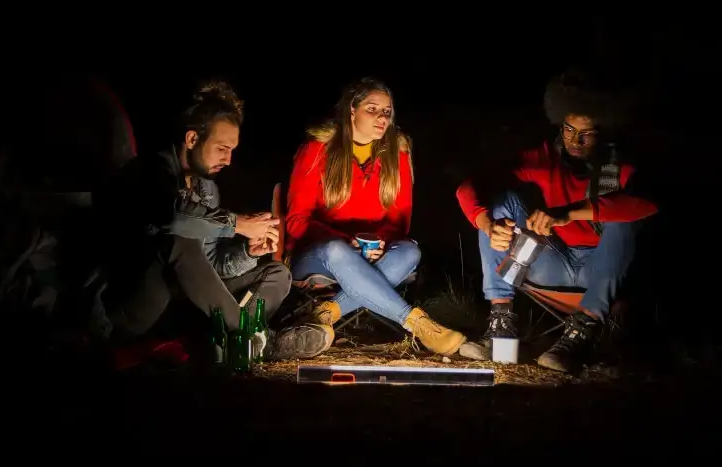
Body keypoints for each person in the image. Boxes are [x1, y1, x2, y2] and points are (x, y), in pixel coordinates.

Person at [92, 81, 332, 360]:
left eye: (232, 150)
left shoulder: (207, 189)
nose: (228, 160)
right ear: (192, 139)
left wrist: (247, 252)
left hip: (187, 306)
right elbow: (173, 217)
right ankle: (260, 343)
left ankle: (229, 338)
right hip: (134, 306)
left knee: (277, 274)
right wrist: (237, 224)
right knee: (180, 239)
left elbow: (210, 265)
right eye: (221, 148)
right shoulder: (149, 170)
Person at [455, 68, 658, 373]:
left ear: (605, 131)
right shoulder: (545, 158)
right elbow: (470, 186)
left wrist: (569, 213)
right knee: (500, 203)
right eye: (568, 129)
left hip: (601, 270)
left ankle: (580, 334)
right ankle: (501, 325)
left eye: (587, 133)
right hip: (553, 262)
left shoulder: (621, 166)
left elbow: (647, 205)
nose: (576, 140)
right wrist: (486, 224)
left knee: (624, 218)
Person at [285, 77, 466, 356]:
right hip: (316, 256)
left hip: (368, 256)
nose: (382, 117)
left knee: (409, 252)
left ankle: (326, 312)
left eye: (386, 111)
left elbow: (399, 225)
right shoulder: (318, 149)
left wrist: (379, 243)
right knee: (336, 250)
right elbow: (297, 221)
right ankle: (419, 325)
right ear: (351, 111)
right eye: (372, 109)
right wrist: (348, 242)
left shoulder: (397, 152)